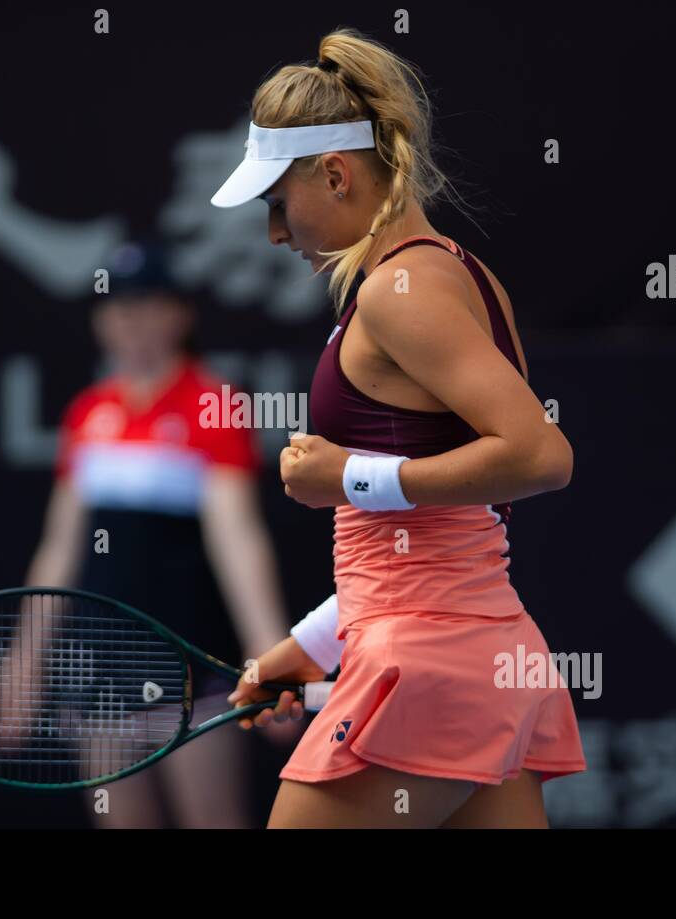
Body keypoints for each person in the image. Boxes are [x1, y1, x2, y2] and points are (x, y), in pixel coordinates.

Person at [219, 29, 587, 828]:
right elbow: (445, 528)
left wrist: (346, 474)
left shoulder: (400, 291)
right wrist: (314, 645)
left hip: (428, 669)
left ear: (337, 174)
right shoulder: (457, 273)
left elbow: (538, 455)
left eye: (277, 206)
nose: (276, 235)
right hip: (488, 656)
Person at [11, 239, 297, 828]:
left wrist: (270, 656)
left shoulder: (215, 405)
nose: (130, 321)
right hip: (98, 670)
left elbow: (237, 538)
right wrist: (24, 662)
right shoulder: (87, 414)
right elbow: (60, 549)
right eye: (116, 308)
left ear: (179, 314)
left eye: (146, 305)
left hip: (192, 666)